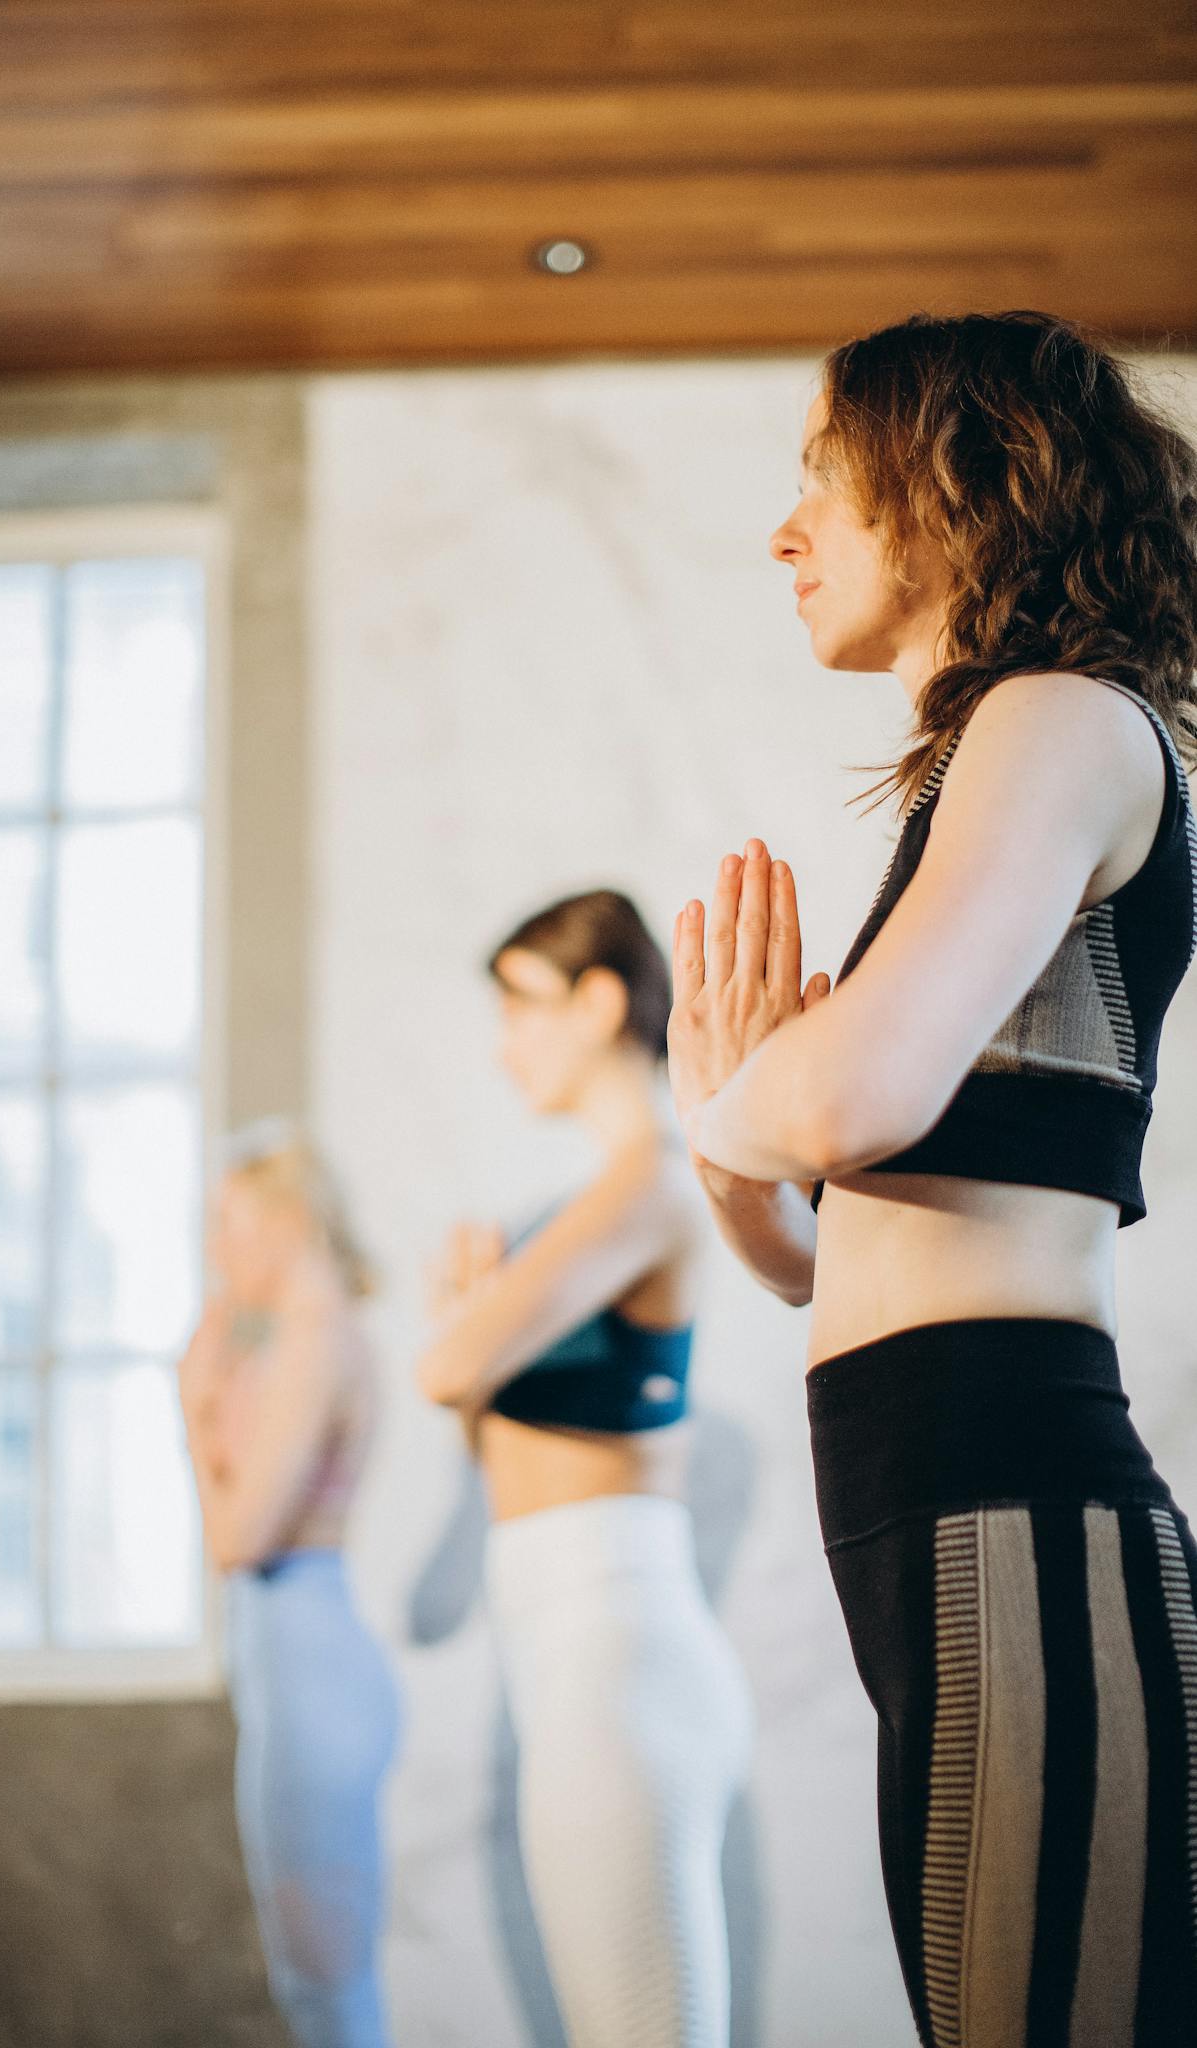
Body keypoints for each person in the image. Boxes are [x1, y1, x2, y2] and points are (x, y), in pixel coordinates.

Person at [668, 311, 1197, 2044]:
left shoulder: (1062, 720)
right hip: (935, 1492)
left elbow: (857, 1092)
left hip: (1016, 1487)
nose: (785, 528)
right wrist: (738, 1116)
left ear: (956, 483)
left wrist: (758, 1101)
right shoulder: (1000, 758)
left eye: (822, 475)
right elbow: (812, 1246)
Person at [416, 889, 751, 2048]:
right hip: (572, 1647)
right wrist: (468, 1342)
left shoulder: (647, 1181)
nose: (506, 1042)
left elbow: (446, 1362)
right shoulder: (582, 1209)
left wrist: (466, 1325)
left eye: (521, 1006)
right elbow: (486, 1427)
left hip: (620, 1659)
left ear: (601, 999)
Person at [178, 1118, 401, 2048]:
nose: (214, 1247)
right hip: (291, 1653)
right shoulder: (297, 1339)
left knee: (325, 1986)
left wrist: (190, 1412)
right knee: (312, 1982)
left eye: (228, 1221)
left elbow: (239, 1537)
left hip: (308, 1659)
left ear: (285, 1219)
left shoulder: (314, 1339)